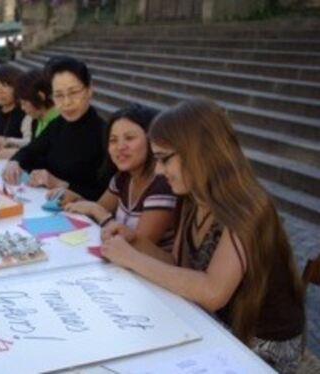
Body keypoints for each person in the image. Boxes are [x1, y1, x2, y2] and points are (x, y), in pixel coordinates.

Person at [100, 98, 305, 373]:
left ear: (198, 152)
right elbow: (177, 265)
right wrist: (134, 241)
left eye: (163, 159)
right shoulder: (192, 197)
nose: (158, 170)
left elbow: (212, 291)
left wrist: (132, 260)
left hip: (262, 346)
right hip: (216, 326)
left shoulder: (248, 206)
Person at [59, 104, 177, 251]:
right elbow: (97, 210)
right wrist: (76, 198)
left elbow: (140, 247)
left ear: (152, 142)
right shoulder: (123, 177)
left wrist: (98, 212)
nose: (120, 146)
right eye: (113, 140)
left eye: (129, 138)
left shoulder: (163, 185)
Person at [2, 56, 113, 200]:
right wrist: (14, 162)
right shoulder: (58, 124)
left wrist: (59, 183)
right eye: (59, 95)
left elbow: (105, 195)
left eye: (73, 92)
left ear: (89, 90)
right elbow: (30, 151)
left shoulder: (105, 134)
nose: (67, 102)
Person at [0, 68, 59, 159]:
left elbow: (48, 155)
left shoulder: (59, 121)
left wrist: (16, 153)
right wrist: (9, 141)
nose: (22, 108)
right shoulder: (38, 119)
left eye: (24, 103)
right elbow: (35, 145)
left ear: (40, 96)